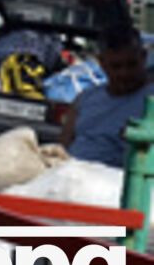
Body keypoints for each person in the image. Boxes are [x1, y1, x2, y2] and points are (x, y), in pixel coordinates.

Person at [60, 25, 152, 167]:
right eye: (116, 66)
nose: (124, 73)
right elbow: (63, 147)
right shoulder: (86, 99)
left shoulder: (150, 99)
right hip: (71, 174)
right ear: (102, 63)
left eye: (131, 65)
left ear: (144, 57)